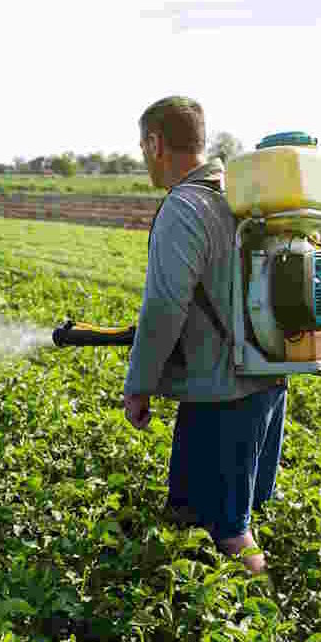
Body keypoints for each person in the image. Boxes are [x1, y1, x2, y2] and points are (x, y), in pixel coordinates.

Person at [122, 96, 287, 575]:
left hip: (226, 393)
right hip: (260, 379)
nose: (142, 155)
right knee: (187, 511)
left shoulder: (185, 206)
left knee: (230, 530)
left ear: (156, 143)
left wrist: (139, 385)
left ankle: (266, 633)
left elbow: (163, 308)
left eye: (141, 145)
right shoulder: (240, 197)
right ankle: (182, 608)